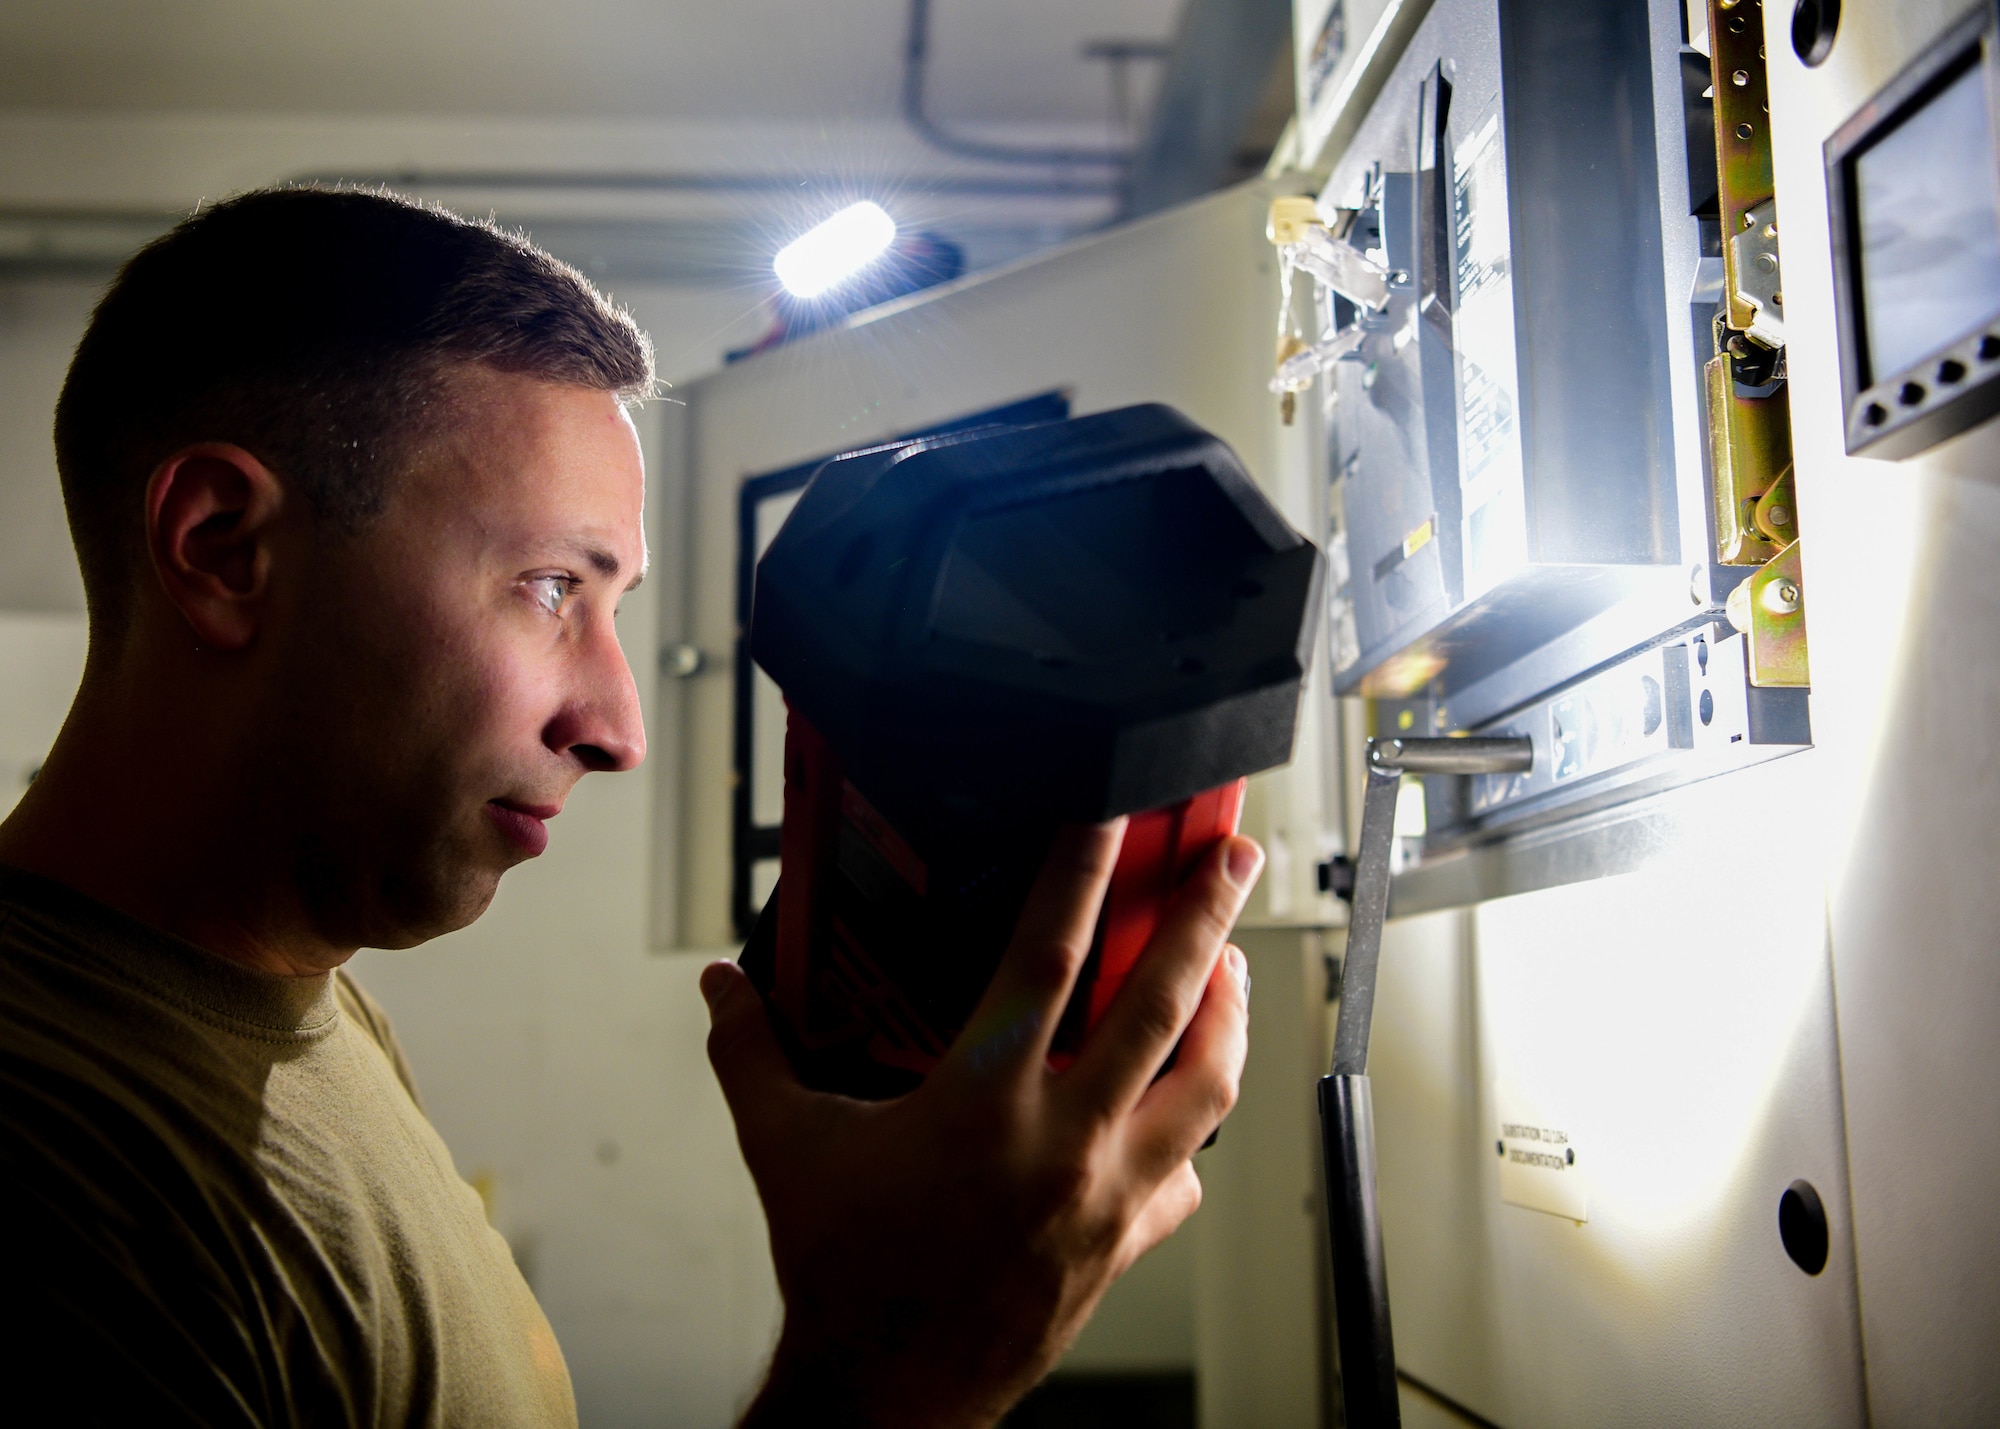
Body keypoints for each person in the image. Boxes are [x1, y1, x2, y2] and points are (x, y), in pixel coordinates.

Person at [0, 186, 1258, 1426]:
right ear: (225, 549)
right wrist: (897, 1377)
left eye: (618, 604)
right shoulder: (58, 1188)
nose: (620, 730)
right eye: (550, 587)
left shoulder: (295, 1001)